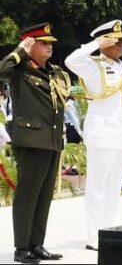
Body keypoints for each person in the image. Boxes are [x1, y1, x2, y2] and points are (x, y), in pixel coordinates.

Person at [1, 23, 70, 263]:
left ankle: (36, 244)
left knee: (43, 197)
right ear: (30, 44)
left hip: (51, 141)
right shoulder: (19, 70)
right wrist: (19, 51)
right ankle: (22, 248)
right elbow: (1, 70)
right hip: (31, 141)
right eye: (43, 42)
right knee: (28, 195)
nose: (49, 46)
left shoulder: (53, 72)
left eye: (51, 42)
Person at [65, 19, 122, 251]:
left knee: (115, 185)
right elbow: (70, 61)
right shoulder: (92, 65)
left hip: (121, 136)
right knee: (97, 187)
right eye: (117, 41)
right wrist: (94, 44)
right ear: (105, 41)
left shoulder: (121, 67)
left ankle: (110, 229)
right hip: (102, 135)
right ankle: (94, 236)